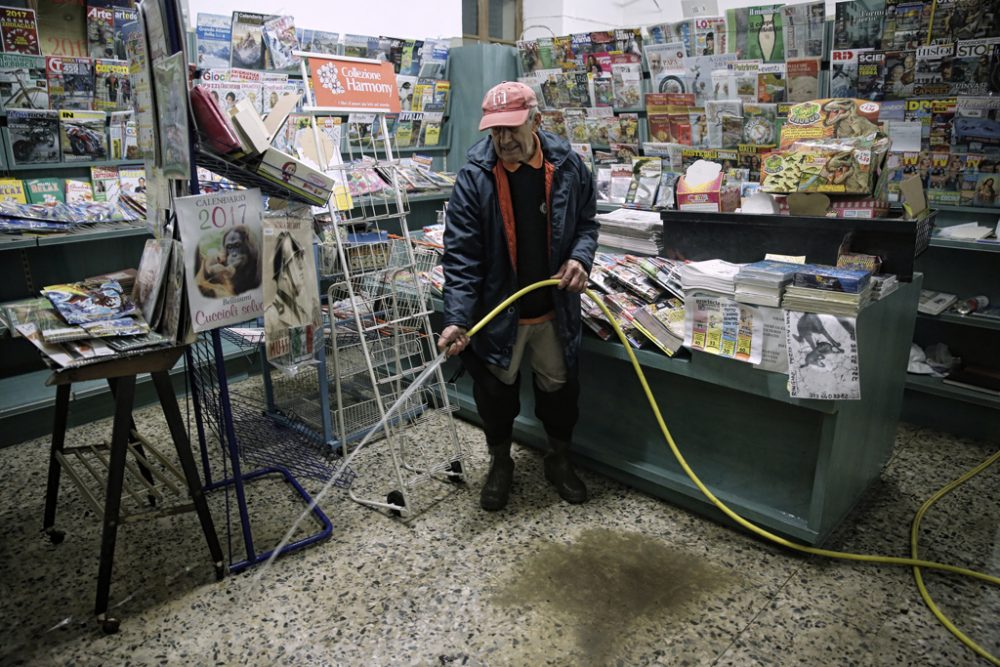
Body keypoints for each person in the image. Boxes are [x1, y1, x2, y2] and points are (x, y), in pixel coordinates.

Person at [438, 81, 598, 511]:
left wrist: (581, 258)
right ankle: (500, 462)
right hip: (499, 310)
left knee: (560, 391)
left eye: (512, 128)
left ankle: (559, 459)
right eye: (495, 131)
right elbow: (462, 257)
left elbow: (587, 223)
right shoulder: (475, 176)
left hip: (553, 309)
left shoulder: (567, 165)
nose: (504, 140)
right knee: (495, 393)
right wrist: (456, 318)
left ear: (536, 121)